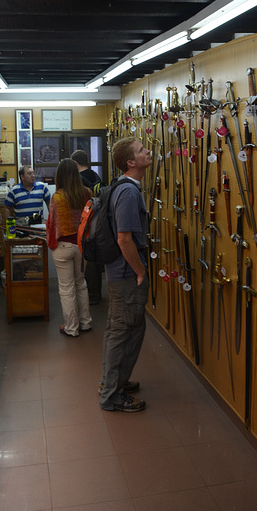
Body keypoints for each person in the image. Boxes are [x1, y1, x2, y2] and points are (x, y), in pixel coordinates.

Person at [99, 137, 152, 413]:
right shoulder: (129, 193)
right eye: (142, 150)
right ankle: (112, 394)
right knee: (123, 332)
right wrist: (140, 271)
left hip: (119, 273)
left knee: (121, 329)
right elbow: (124, 239)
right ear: (131, 162)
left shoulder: (123, 188)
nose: (148, 152)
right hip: (126, 274)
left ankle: (115, 381)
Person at [46, 158, 92, 337]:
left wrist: (52, 245)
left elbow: (51, 225)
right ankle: (86, 322)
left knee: (66, 287)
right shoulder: (87, 193)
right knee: (81, 283)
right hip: (82, 246)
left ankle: (72, 327)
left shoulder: (57, 198)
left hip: (63, 246)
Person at [71, 149, 104, 305]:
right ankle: (96, 293)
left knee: (87, 261)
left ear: (75, 163)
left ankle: (91, 295)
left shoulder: (78, 179)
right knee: (95, 259)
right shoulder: (95, 176)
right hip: (98, 221)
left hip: (85, 222)